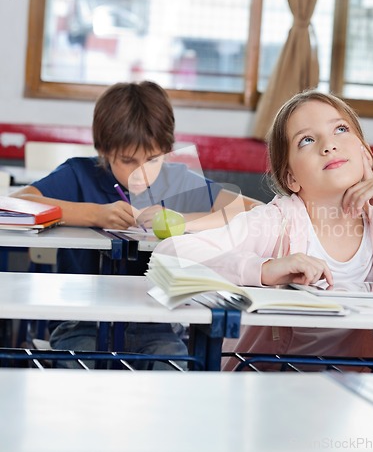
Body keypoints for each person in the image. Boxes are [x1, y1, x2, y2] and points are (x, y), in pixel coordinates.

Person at [153, 89, 373, 371]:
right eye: (307, 140)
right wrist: (263, 269)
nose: (328, 145)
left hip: (366, 398)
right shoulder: (272, 223)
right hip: (271, 390)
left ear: (365, 153)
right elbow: (171, 256)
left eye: (340, 129)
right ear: (291, 178)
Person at [11, 80, 260, 369]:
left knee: (175, 379)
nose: (141, 172)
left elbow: (252, 209)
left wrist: (181, 221)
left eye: (153, 159)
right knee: (79, 386)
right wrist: (94, 214)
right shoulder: (80, 174)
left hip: (157, 321)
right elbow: (17, 204)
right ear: (104, 149)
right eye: (128, 160)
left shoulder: (174, 180)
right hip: (83, 320)